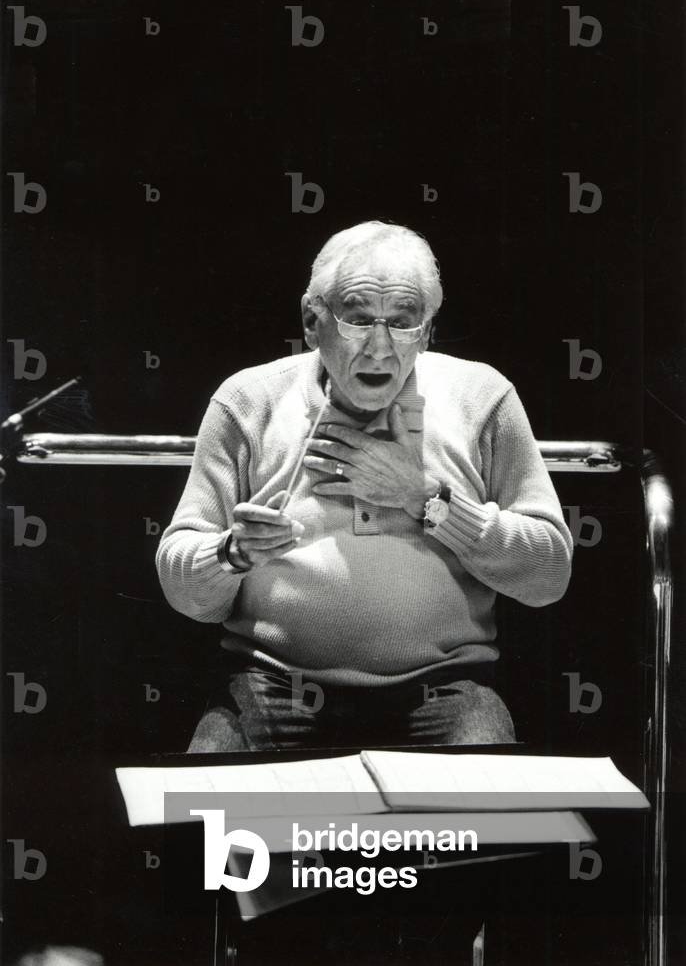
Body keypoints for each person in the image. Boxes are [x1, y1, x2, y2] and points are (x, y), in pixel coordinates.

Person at [156, 221, 573, 752]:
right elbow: (181, 586)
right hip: (272, 683)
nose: (380, 348)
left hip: (442, 690)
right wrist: (232, 553)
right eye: (357, 319)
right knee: (204, 821)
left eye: (403, 322)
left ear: (425, 331)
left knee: (488, 822)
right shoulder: (248, 400)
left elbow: (549, 575)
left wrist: (426, 501)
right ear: (313, 320)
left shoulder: (482, 396)